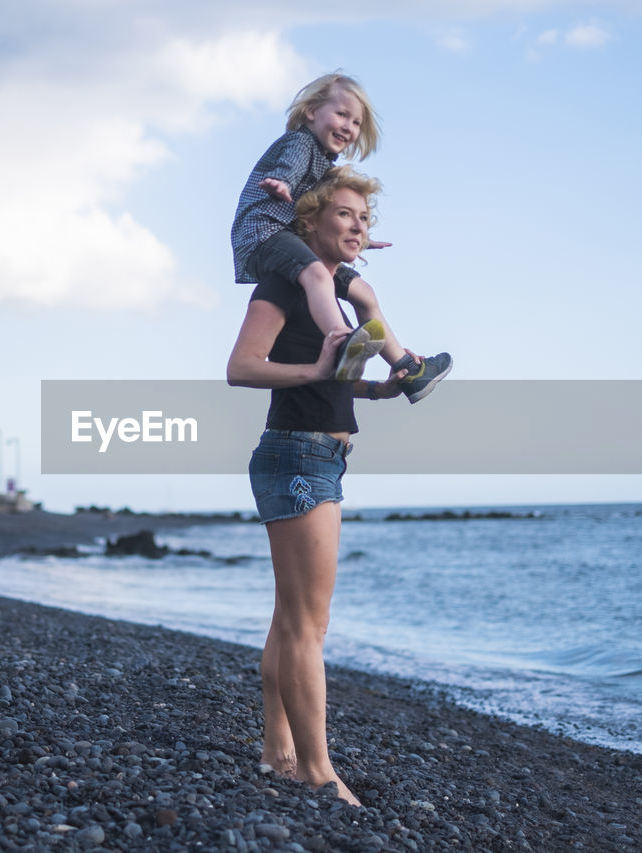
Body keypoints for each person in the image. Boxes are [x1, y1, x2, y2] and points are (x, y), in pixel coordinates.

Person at [226, 166, 407, 807]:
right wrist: (319, 368)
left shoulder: (338, 290)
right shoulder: (284, 280)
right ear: (309, 221)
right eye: (345, 214)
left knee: (289, 618)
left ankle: (278, 751)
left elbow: (328, 374)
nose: (358, 225)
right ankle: (319, 772)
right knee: (308, 626)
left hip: (318, 455)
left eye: (365, 218)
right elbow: (242, 368)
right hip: (297, 456)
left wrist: (371, 388)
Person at [231, 71, 452, 401]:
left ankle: (410, 372)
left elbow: (327, 210)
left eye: (356, 122)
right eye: (341, 114)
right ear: (311, 112)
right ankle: (341, 338)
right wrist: (282, 182)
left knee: (364, 292)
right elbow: (289, 165)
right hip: (264, 231)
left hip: (288, 236)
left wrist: (360, 235)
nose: (349, 127)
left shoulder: (323, 162)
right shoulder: (301, 143)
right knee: (317, 274)